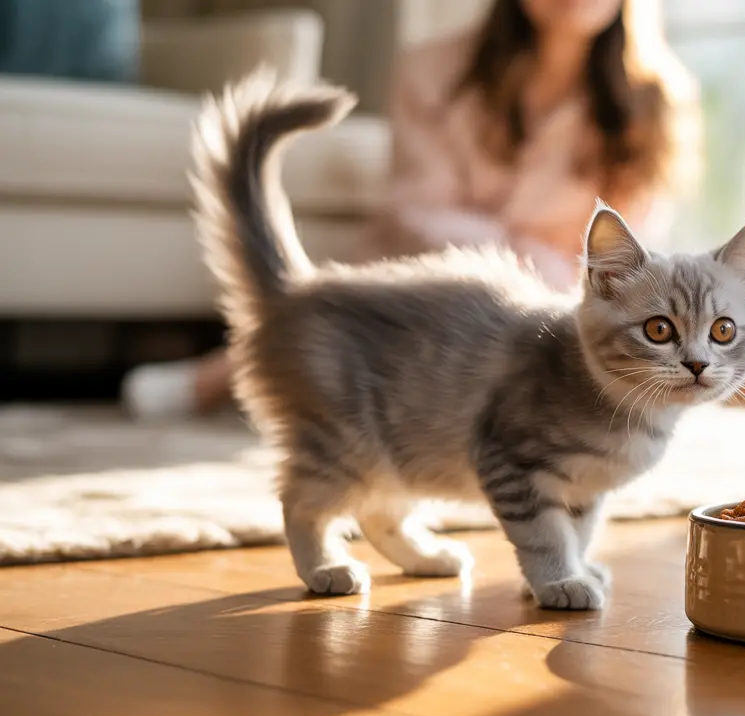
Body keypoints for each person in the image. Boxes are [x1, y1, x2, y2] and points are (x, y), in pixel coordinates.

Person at [122, 0, 699, 419]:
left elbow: (635, 252)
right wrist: (528, 251)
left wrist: (563, 275)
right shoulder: (430, 67)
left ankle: (233, 371)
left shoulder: (657, 98)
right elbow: (423, 209)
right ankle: (225, 374)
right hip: (425, 264)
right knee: (344, 347)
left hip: (554, 296)